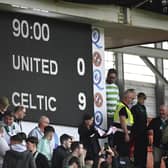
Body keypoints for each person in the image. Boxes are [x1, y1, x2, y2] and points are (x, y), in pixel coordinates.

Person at [113, 89, 136, 167]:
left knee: (122, 154)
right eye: (132, 98)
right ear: (127, 97)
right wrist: (126, 134)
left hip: (120, 133)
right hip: (121, 134)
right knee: (122, 154)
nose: (133, 101)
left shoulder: (123, 107)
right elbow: (123, 121)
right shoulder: (122, 107)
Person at [131, 92, 148, 168]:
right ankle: (137, 164)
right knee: (138, 149)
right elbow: (132, 121)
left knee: (144, 150)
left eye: (144, 99)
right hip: (137, 132)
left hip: (144, 132)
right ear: (138, 98)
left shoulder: (144, 108)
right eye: (142, 99)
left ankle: (143, 164)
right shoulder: (134, 108)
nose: (143, 100)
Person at [106, 69, 119, 147]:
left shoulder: (115, 87)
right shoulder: (103, 86)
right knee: (107, 134)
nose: (112, 79)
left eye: (114, 78)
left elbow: (117, 101)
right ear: (107, 76)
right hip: (106, 116)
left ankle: (112, 151)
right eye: (110, 77)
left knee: (113, 136)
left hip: (114, 116)